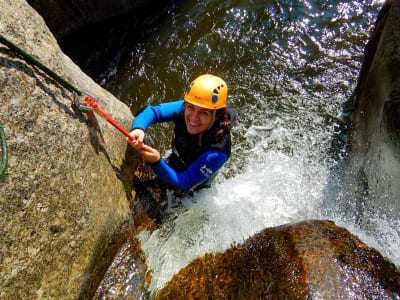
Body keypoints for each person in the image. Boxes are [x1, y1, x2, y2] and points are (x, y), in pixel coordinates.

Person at [127, 74, 236, 197]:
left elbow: (186, 183)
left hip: (192, 191)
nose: (193, 118)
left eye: (204, 113)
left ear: (218, 116)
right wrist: (138, 129)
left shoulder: (217, 152)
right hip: (177, 162)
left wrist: (157, 161)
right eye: (191, 107)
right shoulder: (185, 108)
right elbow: (153, 112)